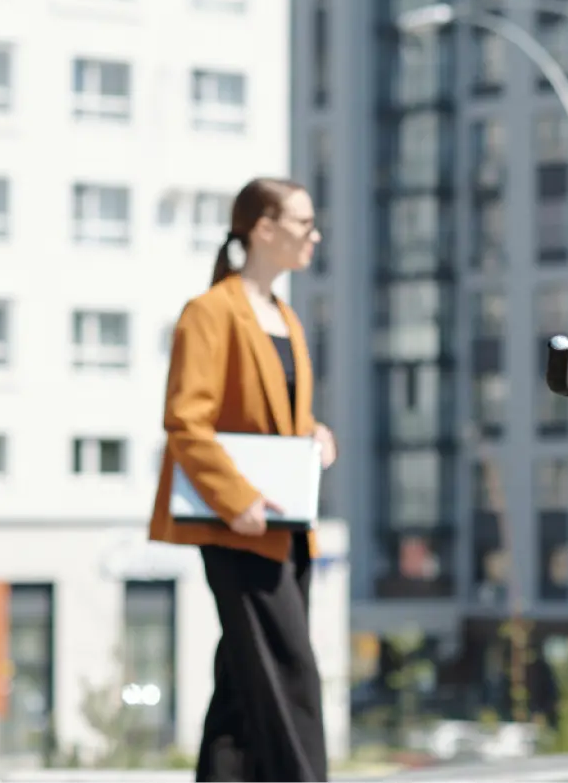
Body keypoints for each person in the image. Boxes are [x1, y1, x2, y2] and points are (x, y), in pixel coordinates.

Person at [148, 177, 336, 782]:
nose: (315, 235)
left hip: (285, 526)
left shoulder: (285, 317)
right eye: (304, 224)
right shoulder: (209, 312)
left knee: (242, 684)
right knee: (290, 675)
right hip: (239, 528)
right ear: (264, 228)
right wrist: (236, 500)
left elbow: (276, 416)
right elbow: (185, 422)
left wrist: (313, 433)